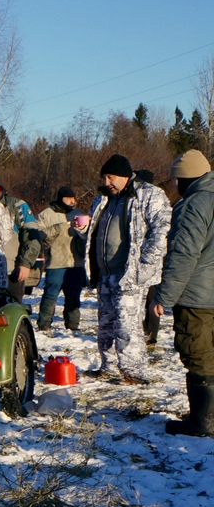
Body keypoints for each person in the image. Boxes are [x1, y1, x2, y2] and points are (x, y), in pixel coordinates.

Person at [85, 153, 170, 383]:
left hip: (130, 274)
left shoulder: (149, 194)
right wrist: (84, 227)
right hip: (105, 274)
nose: (106, 183)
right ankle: (109, 367)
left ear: (124, 175)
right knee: (106, 325)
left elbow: (161, 230)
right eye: (104, 178)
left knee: (127, 325)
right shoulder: (104, 198)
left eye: (110, 177)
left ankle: (134, 372)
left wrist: (146, 264)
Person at [152, 150, 214, 435]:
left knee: (198, 356)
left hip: (197, 298)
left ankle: (202, 423)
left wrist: (165, 296)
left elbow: (183, 255)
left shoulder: (192, 205)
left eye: (176, 179)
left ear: (185, 178)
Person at [0, 170, 43, 301]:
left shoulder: (16, 206)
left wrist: (25, 263)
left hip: (11, 272)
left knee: (9, 311)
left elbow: (31, 236)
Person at [33, 186, 87, 331]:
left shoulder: (78, 214)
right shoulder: (46, 215)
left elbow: (87, 236)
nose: (71, 202)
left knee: (74, 295)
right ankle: (44, 323)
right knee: (51, 294)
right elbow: (39, 235)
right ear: (60, 199)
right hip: (56, 262)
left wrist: (84, 230)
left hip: (76, 262)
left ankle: (73, 324)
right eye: (68, 198)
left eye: (73, 199)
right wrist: (59, 227)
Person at [134, 169, 164, 347]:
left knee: (152, 299)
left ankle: (151, 334)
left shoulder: (155, 200)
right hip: (137, 260)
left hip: (152, 261)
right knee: (142, 300)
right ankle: (143, 332)